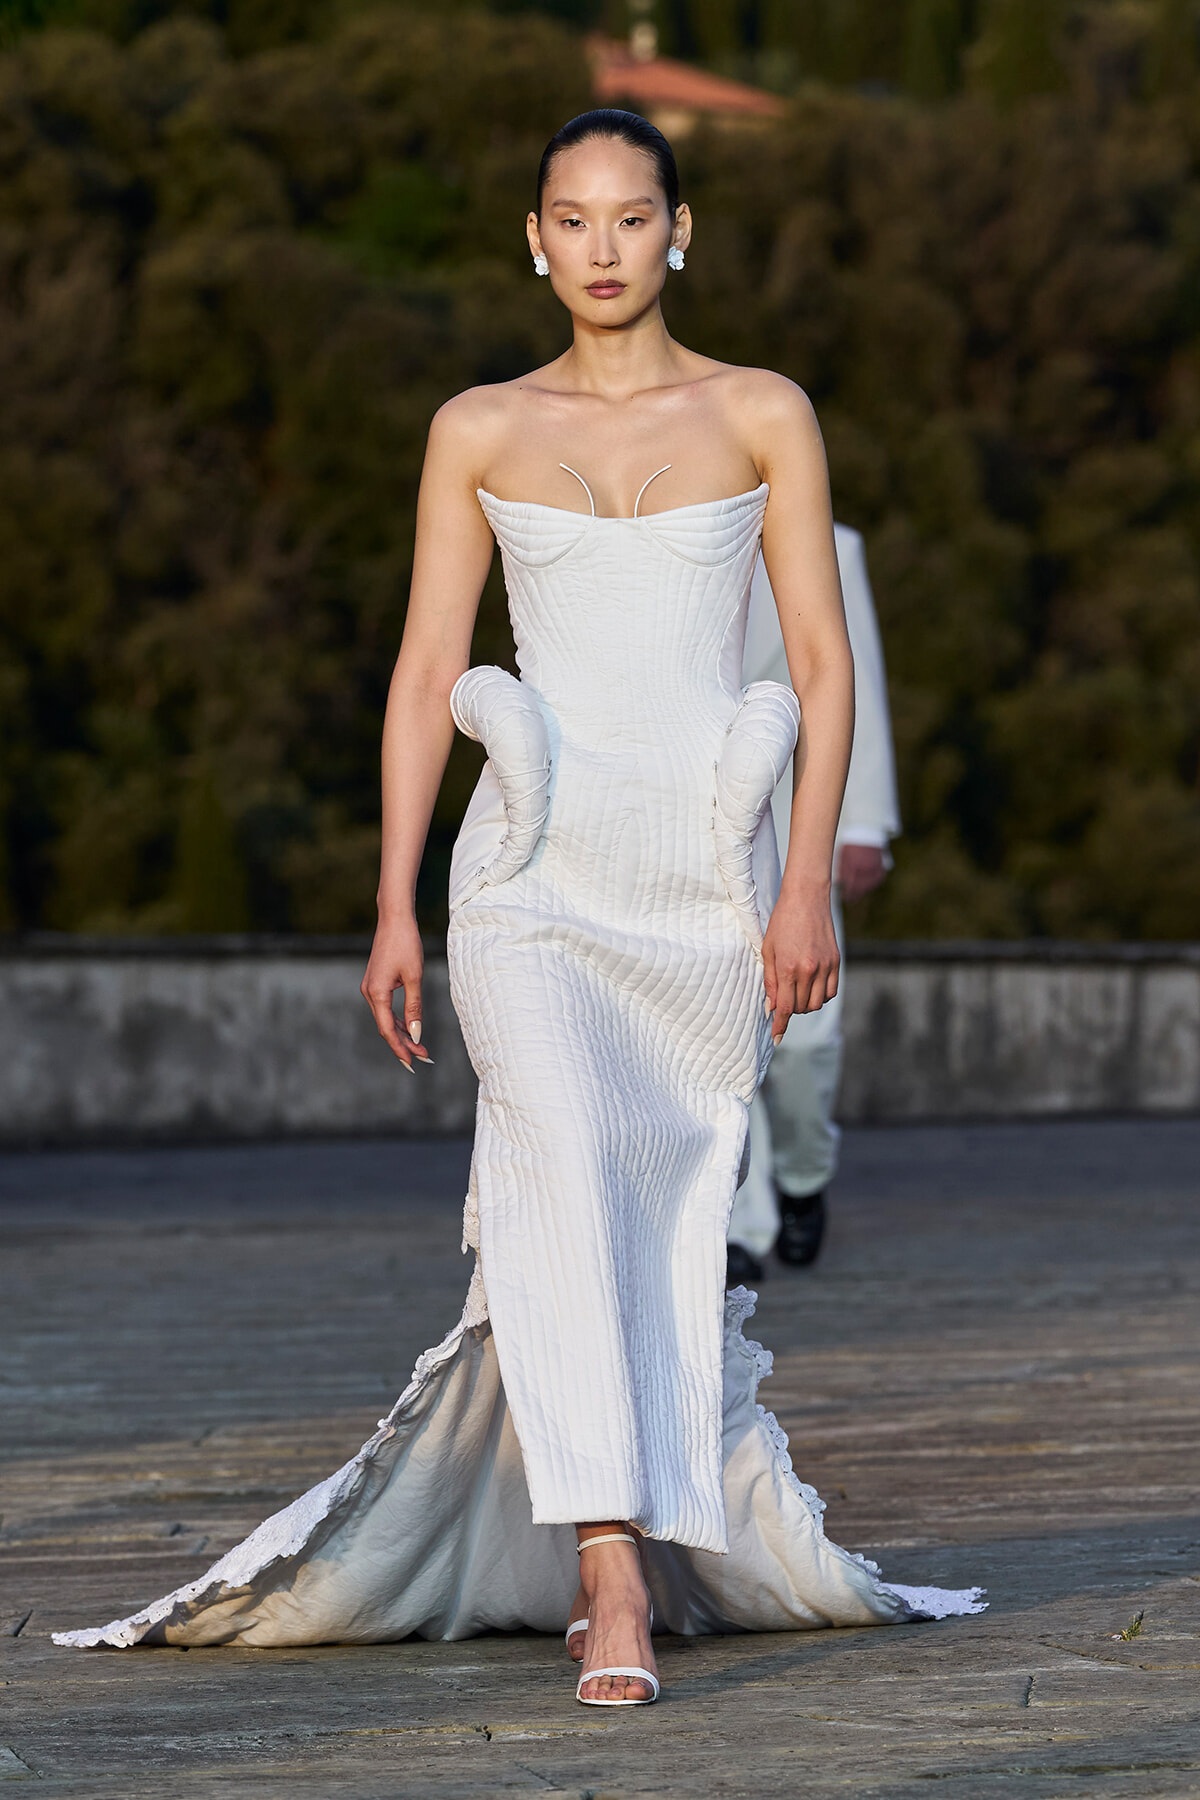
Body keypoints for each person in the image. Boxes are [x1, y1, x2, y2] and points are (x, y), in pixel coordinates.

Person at [54, 110, 982, 1696]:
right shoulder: (475, 426)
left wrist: (809, 885)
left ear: (678, 233)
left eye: (634, 218)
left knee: (661, 1211)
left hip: (697, 878)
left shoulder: (765, 412)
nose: (604, 247)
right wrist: (394, 899)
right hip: (531, 876)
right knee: (553, 1168)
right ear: (531, 239)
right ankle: (609, 1575)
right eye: (574, 218)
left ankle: (617, 1535)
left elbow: (819, 667)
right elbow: (428, 671)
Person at [727, 532, 900, 1284]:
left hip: (798, 816)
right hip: (680, 823)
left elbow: (847, 670)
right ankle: (736, 1227)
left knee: (798, 1038)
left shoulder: (832, 545)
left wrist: (862, 821)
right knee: (718, 1033)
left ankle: (803, 1175)